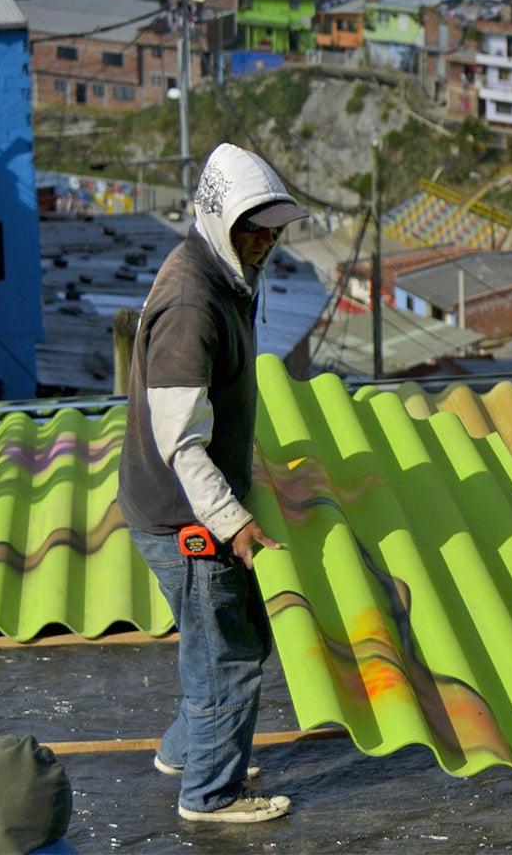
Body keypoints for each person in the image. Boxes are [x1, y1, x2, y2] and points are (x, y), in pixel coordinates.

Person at [119, 143, 305, 825]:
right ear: (220, 219)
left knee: (220, 641)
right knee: (230, 653)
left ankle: (189, 753)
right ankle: (210, 793)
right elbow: (181, 440)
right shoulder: (193, 304)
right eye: (254, 227)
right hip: (182, 516)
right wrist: (232, 521)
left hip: (173, 506)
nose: (266, 240)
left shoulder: (220, 271)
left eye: (274, 228)